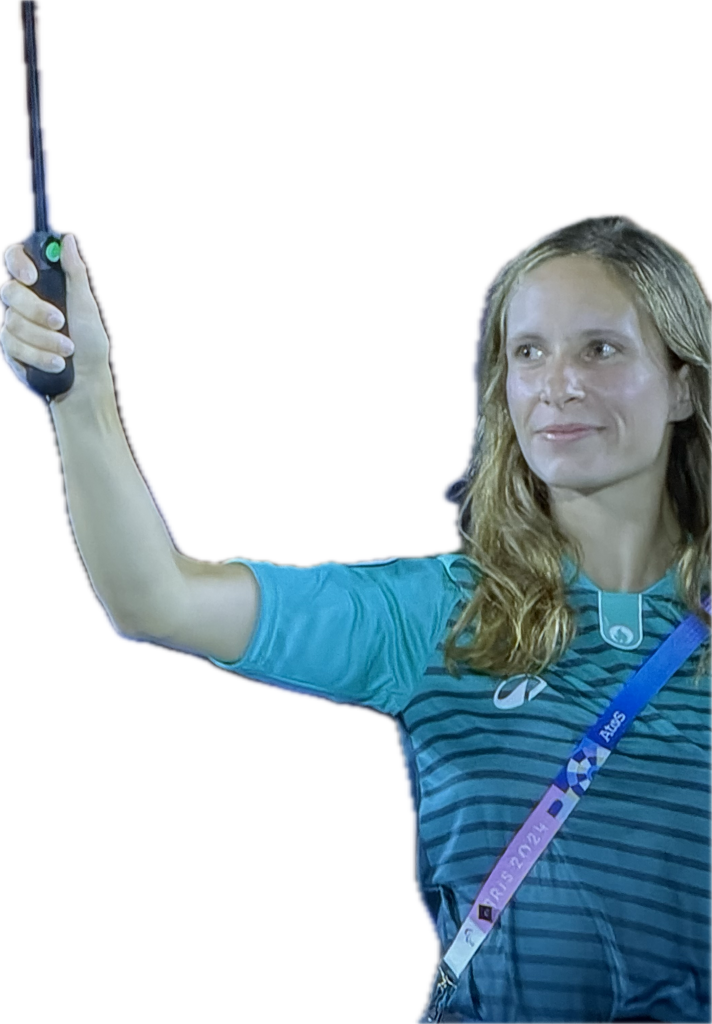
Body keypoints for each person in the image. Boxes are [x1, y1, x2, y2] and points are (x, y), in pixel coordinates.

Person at [1, 213, 710, 1023]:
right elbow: (154, 597)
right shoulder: (438, 613)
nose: (557, 383)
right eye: (528, 352)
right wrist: (83, 390)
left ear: (685, 383)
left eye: (601, 348)